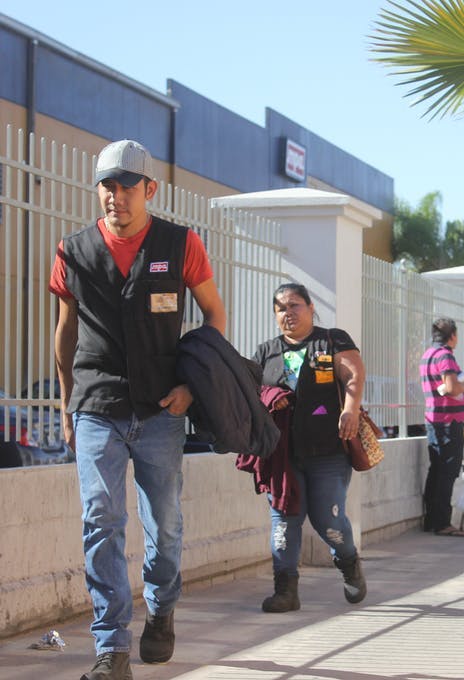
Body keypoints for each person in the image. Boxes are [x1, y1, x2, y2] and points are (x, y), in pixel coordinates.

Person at [50, 139, 227, 680]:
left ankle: (162, 607)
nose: (115, 195)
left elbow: (214, 317)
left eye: (127, 185)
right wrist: (65, 404)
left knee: (166, 526)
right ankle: (111, 649)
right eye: (107, 184)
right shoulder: (72, 251)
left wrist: (193, 389)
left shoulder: (181, 244)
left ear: (149, 190)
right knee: (100, 521)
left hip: (161, 410)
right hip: (96, 405)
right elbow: (64, 332)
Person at [243, 283, 368, 613]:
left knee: (327, 520)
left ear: (311, 308)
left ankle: (348, 562)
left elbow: (354, 373)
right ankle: (285, 589)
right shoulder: (265, 352)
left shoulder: (330, 340)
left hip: (328, 449)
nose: (288, 313)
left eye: (295, 305)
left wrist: (350, 409)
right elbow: (252, 395)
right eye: (281, 308)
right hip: (282, 455)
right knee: (285, 520)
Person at [421, 318, 464, 536]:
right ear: (453, 335)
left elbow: (444, 388)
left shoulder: (428, 355)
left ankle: (431, 520)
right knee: (447, 471)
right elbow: (451, 388)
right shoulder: (445, 356)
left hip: (434, 419)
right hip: (448, 422)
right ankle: (442, 523)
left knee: (436, 469)